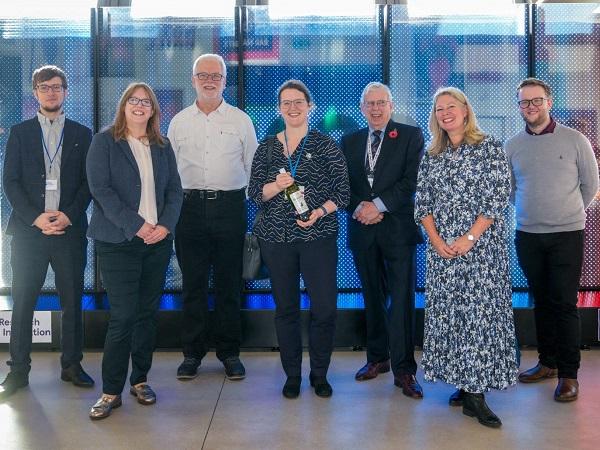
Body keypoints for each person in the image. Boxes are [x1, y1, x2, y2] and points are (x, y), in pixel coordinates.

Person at [415, 87, 517, 428]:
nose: (445, 112)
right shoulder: (432, 154)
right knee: (453, 317)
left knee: (478, 318)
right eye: (439, 108)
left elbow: (497, 196)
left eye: (451, 106)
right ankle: (463, 382)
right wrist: (436, 240)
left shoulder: (488, 147)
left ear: (465, 109)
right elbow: (423, 203)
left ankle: (476, 395)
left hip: (481, 252)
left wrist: (470, 237)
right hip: (442, 252)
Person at [86, 82, 182, 419]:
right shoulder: (105, 141)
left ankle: (140, 379)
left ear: (154, 109)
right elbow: (101, 190)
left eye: (146, 102)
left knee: (146, 315)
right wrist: (137, 225)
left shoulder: (162, 145)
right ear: (124, 106)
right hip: (119, 242)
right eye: (133, 100)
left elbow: (174, 192)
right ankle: (110, 390)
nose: (140, 106)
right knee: (123, 316)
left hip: (157, 243)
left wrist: (166, 226)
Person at [248, 80, 349, 398]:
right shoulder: (266, 147)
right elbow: (254, 194)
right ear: (279, 108)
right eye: (286, 103)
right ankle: (292, 375)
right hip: (276, 240)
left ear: (310, 106)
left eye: (298, 102)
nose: (292, 108)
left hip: (318, 237)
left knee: (324, 307)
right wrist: (277, 186)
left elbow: (343, 193)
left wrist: (318, 211)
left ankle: (319, 374)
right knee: (286, 309)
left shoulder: (325, 145)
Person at [0, 65, 94, 400]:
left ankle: (72, 365)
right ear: (35, 92)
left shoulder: (84, 135)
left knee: (72, 302)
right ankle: (18, 371)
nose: (50, 92)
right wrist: (35, 218)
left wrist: (68, 215)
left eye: (56, 86)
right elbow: (9, 181)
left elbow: (89, 184)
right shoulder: (20, 133)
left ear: (65, 91)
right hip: (29, 233)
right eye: (44, 87)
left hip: (69, 232)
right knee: (24, 301)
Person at [506, 78, 599, 402]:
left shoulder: (575, 140)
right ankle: (547, 362)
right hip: (528, 234)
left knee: (563, 302)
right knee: (541, 301)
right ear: (519, 107)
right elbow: (510, 190)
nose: (530, 107)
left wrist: (566, 213)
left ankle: (568, 375)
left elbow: (590, 186)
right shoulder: (513, 144)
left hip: (567, 234)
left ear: (549, 101)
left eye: (536, 101)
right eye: (524, 102)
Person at [168, 54, 257, 381]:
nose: (209, 80)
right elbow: (169, 171)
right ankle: (192, 354)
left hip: (230, 208)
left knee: (228, 284)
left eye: (216, 76)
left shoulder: (240, 120)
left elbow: (254, 167)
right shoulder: (178, 121)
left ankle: (229, 353)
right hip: (188, 210)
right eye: (202, 75)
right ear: (193, 80)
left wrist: (240, 203)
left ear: (224, 80)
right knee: (191, 284)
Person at [341, 82, 425, 399]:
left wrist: (377, 205)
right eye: (370, 104)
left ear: (391, 105)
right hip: (363, 230)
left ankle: (404, 369)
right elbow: (342, 185)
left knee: (402, 300)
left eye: (381, 103)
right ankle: (377, 358)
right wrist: (361, 208)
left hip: (398, 231)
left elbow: (412, 180)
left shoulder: (410, 136)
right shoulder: (349, 141)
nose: (376, 109)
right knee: (372, 296)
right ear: (362, 108)